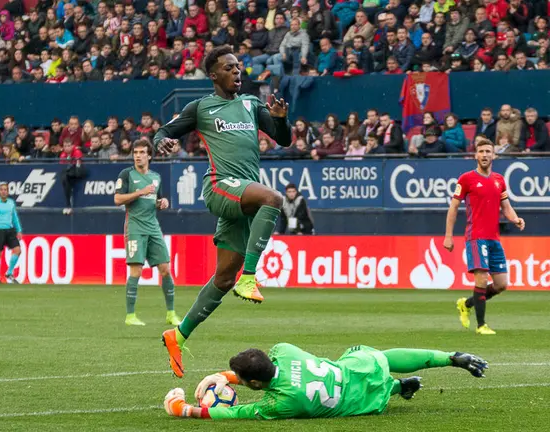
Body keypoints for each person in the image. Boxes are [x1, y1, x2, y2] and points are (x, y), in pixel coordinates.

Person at [154, 45, 292, 378]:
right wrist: (161, 140)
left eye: (239, 67)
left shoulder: (250, 104)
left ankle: (179, 334)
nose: (237, 71)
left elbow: (283, 140)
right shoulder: (201, 107)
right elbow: (165, 130)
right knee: (273, 198)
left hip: (242, 196)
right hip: (219, 186)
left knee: (222, 278)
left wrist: (281, 120)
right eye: (229, 68)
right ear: (214, 75)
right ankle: (250, 276)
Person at [163, 343, 488, 420]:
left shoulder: (282, 403)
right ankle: (448, 357)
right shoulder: (285, 350)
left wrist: (186, 410)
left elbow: (235, 414)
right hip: (360, 368)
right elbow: (266, 367)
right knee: (380, 359)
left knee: (361, 395)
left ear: (256, 385)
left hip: (366, 403)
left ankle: (396, 388)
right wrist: (225, 375)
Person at [444, 139, 525, 335]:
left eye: (488, 151)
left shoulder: (499, 179)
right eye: (481, 151)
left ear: (494, 155)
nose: (485, 155)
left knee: (501, 284)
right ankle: (481, 326)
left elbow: (505, 206)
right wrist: (448, 236)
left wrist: (515, 219)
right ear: (475, 155)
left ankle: (467, 304)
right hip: (476, 237)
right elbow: (453, 207)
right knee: (481, 278)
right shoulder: (466, 179)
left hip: (494, 238)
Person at [113, 140, 181, 327]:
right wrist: (139, 192)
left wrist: (162, 203)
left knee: (166, 269)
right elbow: (117, 199)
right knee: (136, 270)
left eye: (142, 152)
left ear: (149, 155)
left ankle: (171, 313)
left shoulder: (156, 177)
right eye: (135, 152)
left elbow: (155, 201)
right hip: (135, 227)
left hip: (153, 227)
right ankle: (130, 315)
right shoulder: (126, 174)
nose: (138, 155)